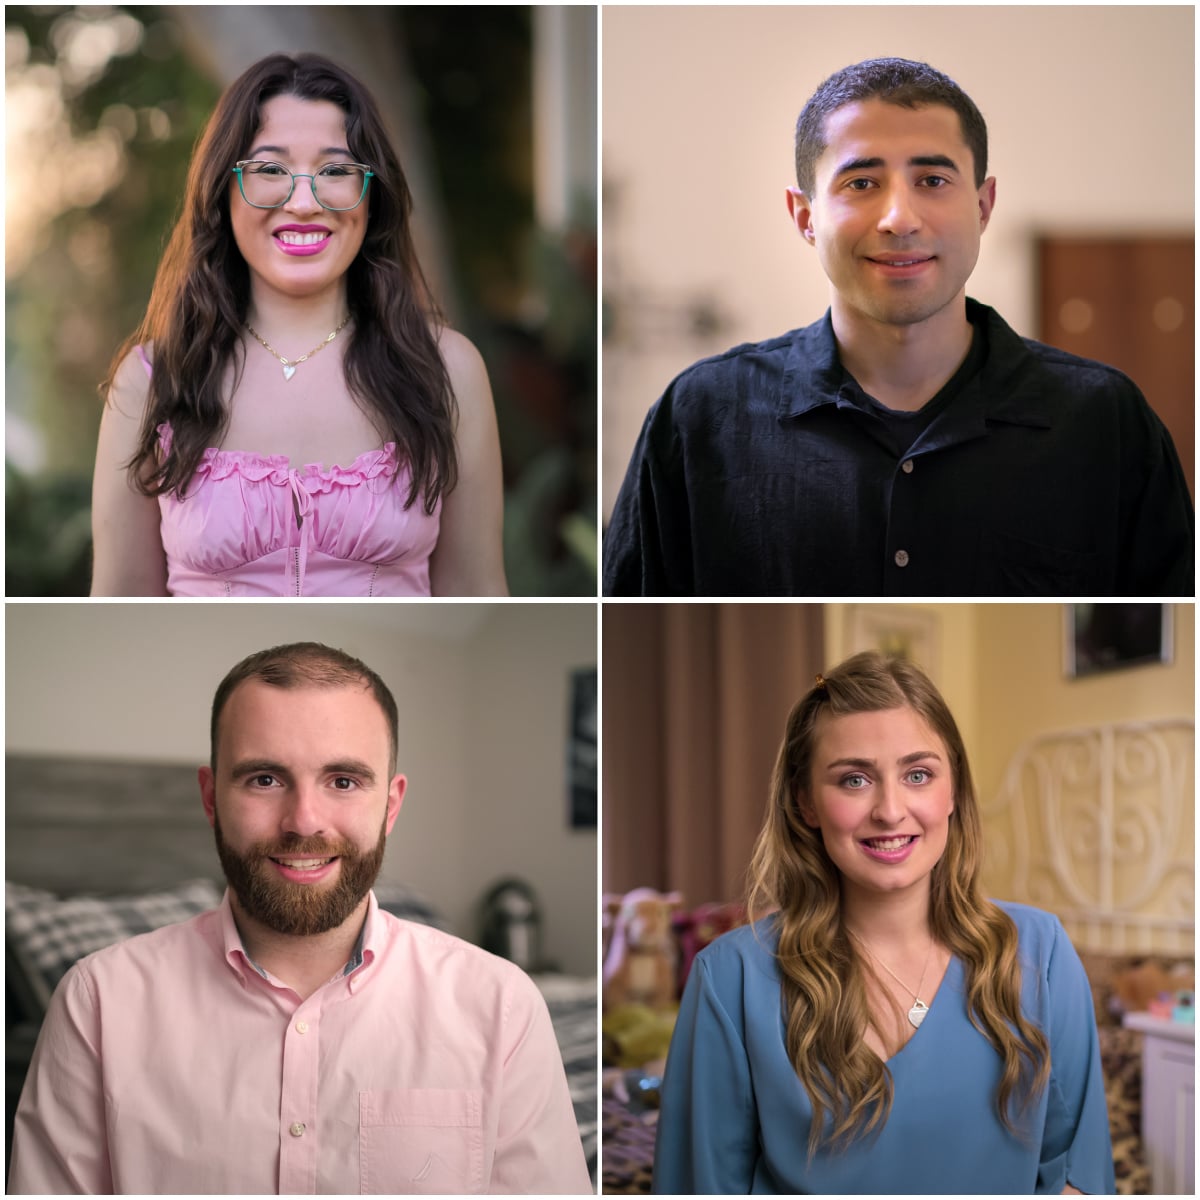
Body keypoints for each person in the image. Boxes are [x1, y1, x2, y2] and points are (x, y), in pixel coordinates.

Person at [9, 642, 591, 1195]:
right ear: (211, 798)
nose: (303, 822)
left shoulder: (503, 1006)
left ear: (390, 805)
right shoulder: (98, 1002)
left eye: (343, 781)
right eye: (265, 779)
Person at [603, 58, 1193, 597]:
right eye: (862, 183)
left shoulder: (1103, 423)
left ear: (984, 206)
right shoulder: (700, 419)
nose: (899, 218)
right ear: (805, 216)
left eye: (932, 180)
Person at [653, 651, 1115, 1194]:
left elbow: (1076, 1177)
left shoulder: (1041, 954)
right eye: (854, 780)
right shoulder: (730, 980)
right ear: (805, 803)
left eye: (918, 774)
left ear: (953, 792)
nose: (890, 810)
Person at [91, 54, 507, 596]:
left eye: (336, 170)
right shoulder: (150, 381)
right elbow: (119, 607)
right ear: (224, 189)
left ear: (371, 194)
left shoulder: (449, 370)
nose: (305, 201)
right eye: (270, 170)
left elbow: (478, 592)